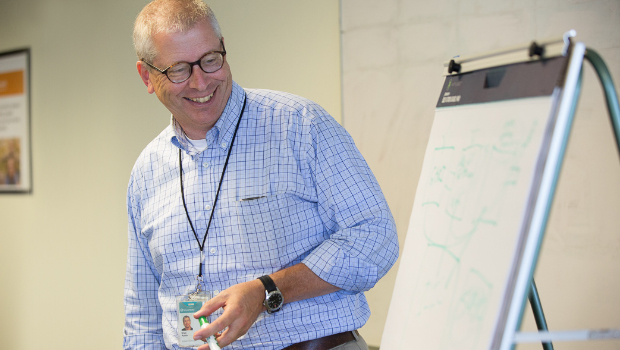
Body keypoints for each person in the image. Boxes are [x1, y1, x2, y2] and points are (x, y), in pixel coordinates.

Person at [123, 1, 399, 349]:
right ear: (147, 76)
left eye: (210, 59)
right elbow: (143, 310)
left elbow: (375, 237)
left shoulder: (300, 125)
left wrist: (268, 289)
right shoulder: (146, 172)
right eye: (179, 69)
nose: (200, 81)